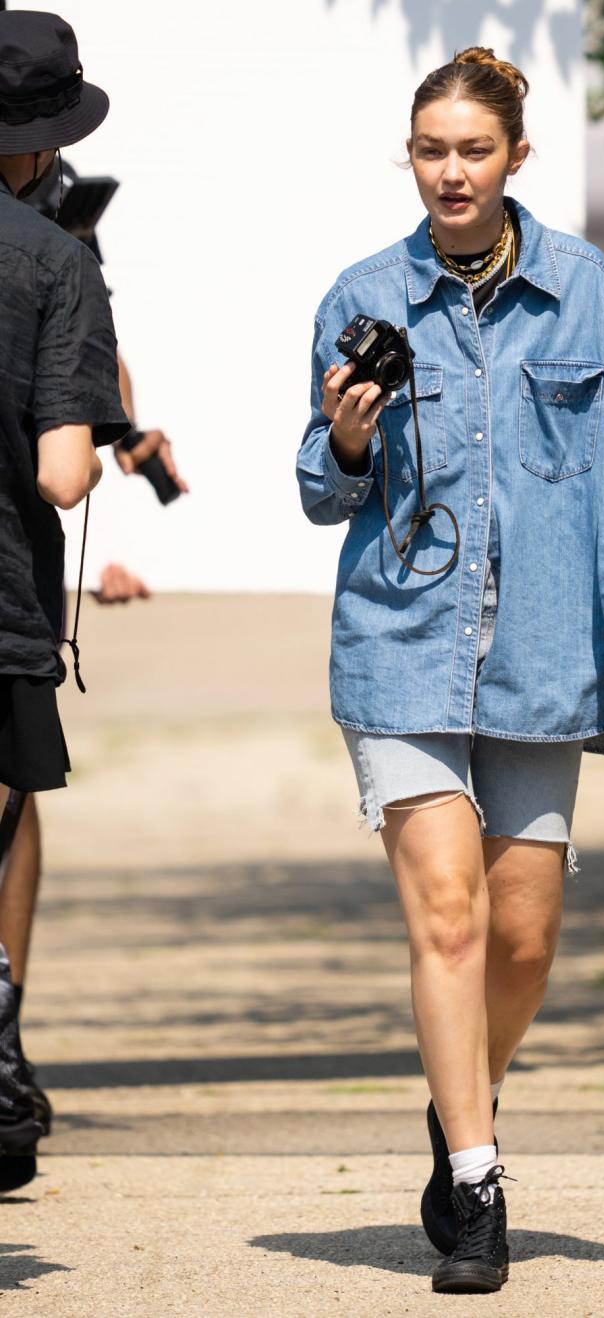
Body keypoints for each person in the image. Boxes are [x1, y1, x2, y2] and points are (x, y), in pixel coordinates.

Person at [297, 46, 604, 1294]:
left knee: (522, 930)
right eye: (429, 151)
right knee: (448, 911)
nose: (449, 172)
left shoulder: (581, 287)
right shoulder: (364, 293)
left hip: (545, 646)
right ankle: (477, 1179)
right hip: (402, 639)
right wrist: (345, 440)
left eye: (472, 151)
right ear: (409, 159)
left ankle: (463, 1094)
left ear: (514, 157)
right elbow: (318, 486)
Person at [0, 9, 129, 1191]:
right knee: (5, 809)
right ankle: (1, 1030)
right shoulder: (57, 259)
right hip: (1, 605)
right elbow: (61, 472)